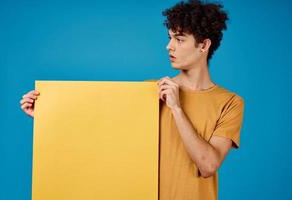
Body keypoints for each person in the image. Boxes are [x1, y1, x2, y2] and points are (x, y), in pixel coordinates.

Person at [20, 0, 244, 199]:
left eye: (179, 39)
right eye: (169, 38)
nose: (169, 46)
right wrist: (48, 115)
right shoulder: (150, 91)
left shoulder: (229, 102)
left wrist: (176, 108)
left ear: (203, 45)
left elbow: (208, 165)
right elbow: (102, 136)